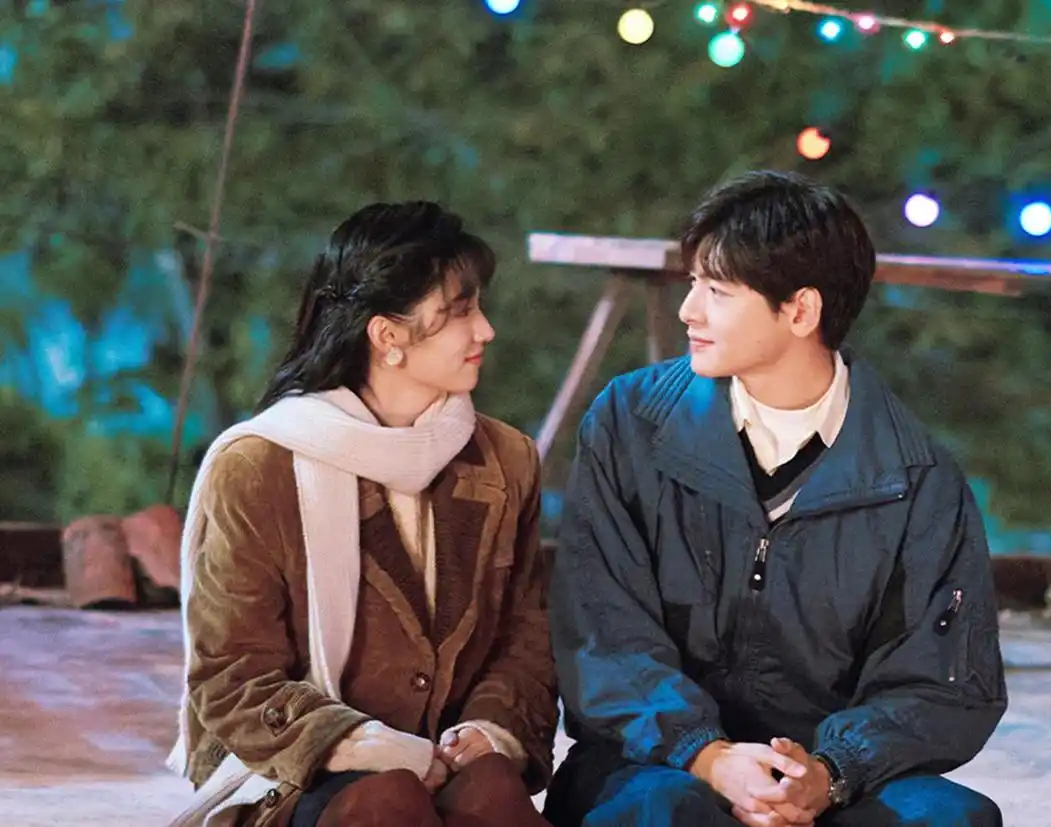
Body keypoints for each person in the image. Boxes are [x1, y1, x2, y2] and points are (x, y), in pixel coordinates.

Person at [543, 171, 1007, 827]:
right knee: (661, 811)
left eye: (717, 291)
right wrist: (709, 756)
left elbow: (943, 685)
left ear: (801, 311)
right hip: (658, 765)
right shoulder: (630, 424)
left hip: (826, 780)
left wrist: (829, 773)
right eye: (693, 283)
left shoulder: (918, 478)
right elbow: (603, 634)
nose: (689, 310)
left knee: (953, 819)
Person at [165, 202, 558, 827]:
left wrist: (489, 730)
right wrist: (369, 745)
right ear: (387, 336)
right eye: (460, 311)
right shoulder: (260, 465)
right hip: (299, 773)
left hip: (452, 765)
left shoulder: (505, 460)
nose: (485, 330)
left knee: (493, 791)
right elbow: (233, 675)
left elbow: (526, 637)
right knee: (387, 801)